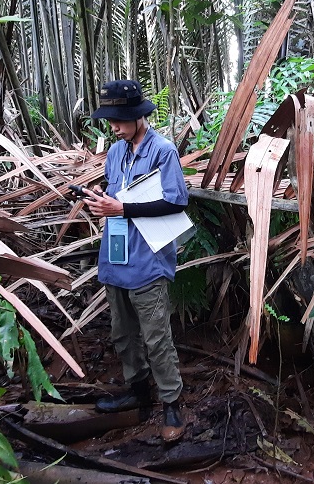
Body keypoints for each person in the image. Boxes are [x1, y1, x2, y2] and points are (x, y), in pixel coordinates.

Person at [81, 79, 189, 443]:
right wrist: (100, 202)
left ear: (137, 117)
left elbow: (176, 201)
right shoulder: (115, 153)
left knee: (157, 337)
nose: (113, 127)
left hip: (148, 258)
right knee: (123, 334)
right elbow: (116, 196)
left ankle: (172, 402)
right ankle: (139, 392)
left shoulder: (163, 151)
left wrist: (122, 207)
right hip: (116, 254)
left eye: (119, 120)